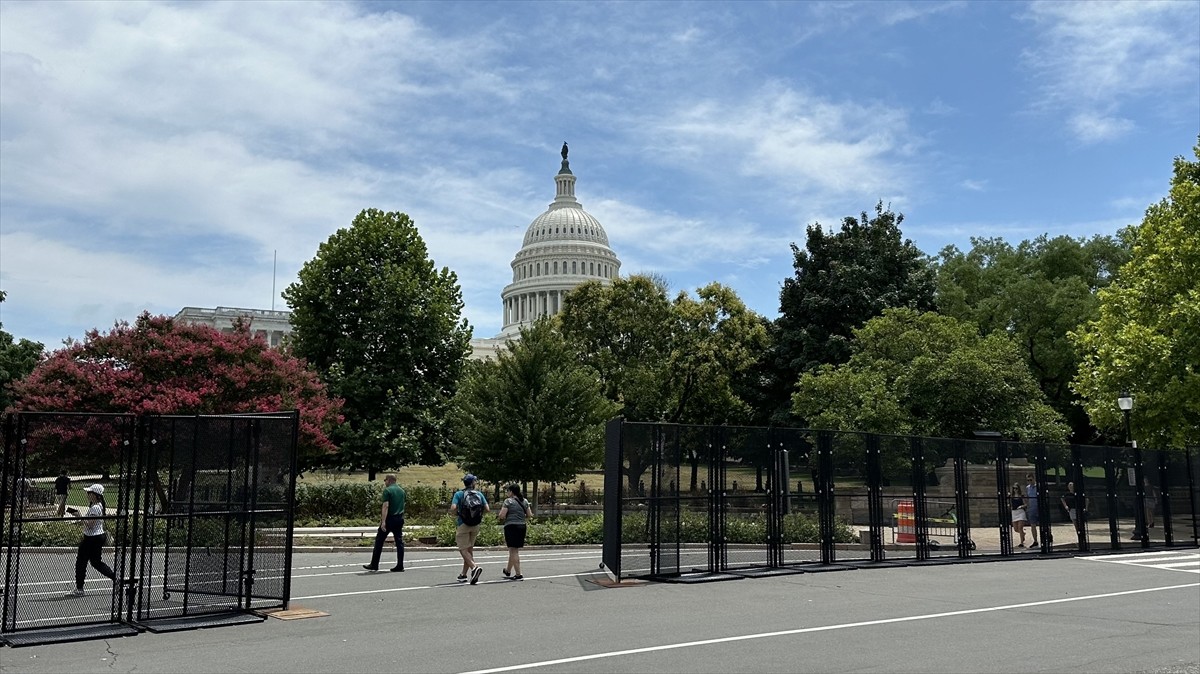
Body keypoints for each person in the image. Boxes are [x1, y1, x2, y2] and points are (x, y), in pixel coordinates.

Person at [67, 484, 116, 597]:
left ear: (95, 495)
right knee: (96, 562)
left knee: (81, 562)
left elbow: (90, 525)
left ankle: (79, 589)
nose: (87, 494)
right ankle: (116, 578)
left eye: (89, 493)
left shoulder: (95, 508)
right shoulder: (96, 506)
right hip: (96, 537)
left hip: (92, 538)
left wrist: (79, 515)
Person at [450, 474, 489, 585]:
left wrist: (457, 514)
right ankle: (463, 574)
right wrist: (479, 515)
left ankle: (474, 567)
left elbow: (453, 508)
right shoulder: (479, 494)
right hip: (475, 524)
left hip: (463, 523)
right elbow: (487, 509)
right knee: (469, 549)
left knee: (463, 549)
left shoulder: (459, 494)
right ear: (473, 483)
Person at [363, 474, 406, 572]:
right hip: (399, 518)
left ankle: (374, 564)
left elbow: (385, 506)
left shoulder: (387, 491)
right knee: (399, 541)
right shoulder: (402, 491)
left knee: (379, 540)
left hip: (390, 518)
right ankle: (400, 565)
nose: (385, 482)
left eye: (385, 480)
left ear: (389, 480)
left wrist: (383, 521)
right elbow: (403, 504)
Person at [498, 484, 533, 581]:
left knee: (513, 550)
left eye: (508, 491)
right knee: (513, 549)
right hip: (522, 526)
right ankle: (508, 570)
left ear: (511, 492)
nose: (507, 493)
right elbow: (529, 515)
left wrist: (503, 516)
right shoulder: (524, 501)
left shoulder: (508, 501)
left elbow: (502, 515)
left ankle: (518, 574)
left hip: (511, 526)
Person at [1024, 474, 1040, 547]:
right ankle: (1035, 541)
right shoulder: (1028, 488)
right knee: (1033, 525)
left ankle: (1048, 536)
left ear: (1034, 479)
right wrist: (1027, 506)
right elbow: (1027, 497)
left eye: (1030, 480)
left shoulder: (1038, 487)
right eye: (1028, 480)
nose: (1029, 481)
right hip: (1031, 508)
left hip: (1039, 508)